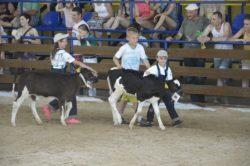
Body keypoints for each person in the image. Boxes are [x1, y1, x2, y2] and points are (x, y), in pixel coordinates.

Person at [42, 33, 97, 124]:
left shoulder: (53, 51)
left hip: (54, 75)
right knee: (71, 94)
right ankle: (70, 116)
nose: (66, 43)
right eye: (65, 41)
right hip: (61, 76)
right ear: (59, 42)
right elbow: (77, 62)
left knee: (64, 95)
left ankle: (50, 107)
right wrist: (90, 68)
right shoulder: (63, 53)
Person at [166, 3, 209, 103]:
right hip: (187, 52)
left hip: (200, 52)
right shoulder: (185, 20)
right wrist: (173, 38)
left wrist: (201, 37)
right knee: (189, 76)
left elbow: (207, 33)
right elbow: (180, 34)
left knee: (199, 77)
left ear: (195, 11)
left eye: (190, 12)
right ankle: (194, 100)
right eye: (187, 12)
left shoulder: (204, 20)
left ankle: (200, 99)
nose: (188, 13)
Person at [113, 27, 150, 123]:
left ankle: (118, 115)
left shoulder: (140, 47)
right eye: (133, 38)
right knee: (134, 96)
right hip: (126, 75)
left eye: (137, 38)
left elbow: (145, 59)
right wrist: (119, 66)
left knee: (126, 96)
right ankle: (139, 117)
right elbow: (115, 58)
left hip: (136, 74)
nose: (136, 40)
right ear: (127, 38)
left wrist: (149, 69)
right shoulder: (124, 47)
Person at [139, 50, 182, 127]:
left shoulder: (168, 69)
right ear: (157, 59)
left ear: (167, 59)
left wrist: (174, 91)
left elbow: (169, 81)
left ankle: (175, 119)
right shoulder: (153, 68)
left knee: (170, 102)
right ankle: (149, 121)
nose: (162, 60)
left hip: (164, 89)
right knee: (154, 103)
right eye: (161, 58)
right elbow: (145, 76)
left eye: (164, 58)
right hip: (155, 90)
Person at [198, 11, 233, 88]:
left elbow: (225, 38)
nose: (211, 21)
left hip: (227, 54)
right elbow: (200, 37)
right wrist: (202, 38)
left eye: (213, 19)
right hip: (216, 54)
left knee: (221, 71)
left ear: (220, 20)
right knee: (219, 75)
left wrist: (209, 39)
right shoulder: (210, 27)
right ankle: (223, 93)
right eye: (211, 19)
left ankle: (220, 94)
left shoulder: (226, 25)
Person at [77, 23, 98, 96]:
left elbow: (93, 47)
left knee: (92, 77)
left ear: (86, 31)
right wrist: (80, 40)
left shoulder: (91, 37)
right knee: (85, 76)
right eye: (78, 31)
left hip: (92, 59)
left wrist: (82, 38)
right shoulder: (82, 38)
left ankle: (93, 95)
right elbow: (82, 48)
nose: (79, 33)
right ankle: (87, 93)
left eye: (80, 31)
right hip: (85, 58)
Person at [230, 15, 250, 88]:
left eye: (247, 24)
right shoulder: (243, 30)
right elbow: (231, 39)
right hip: (246, 58)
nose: (245, 26)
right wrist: (240, 40)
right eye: (244, 24)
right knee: (244, 85)